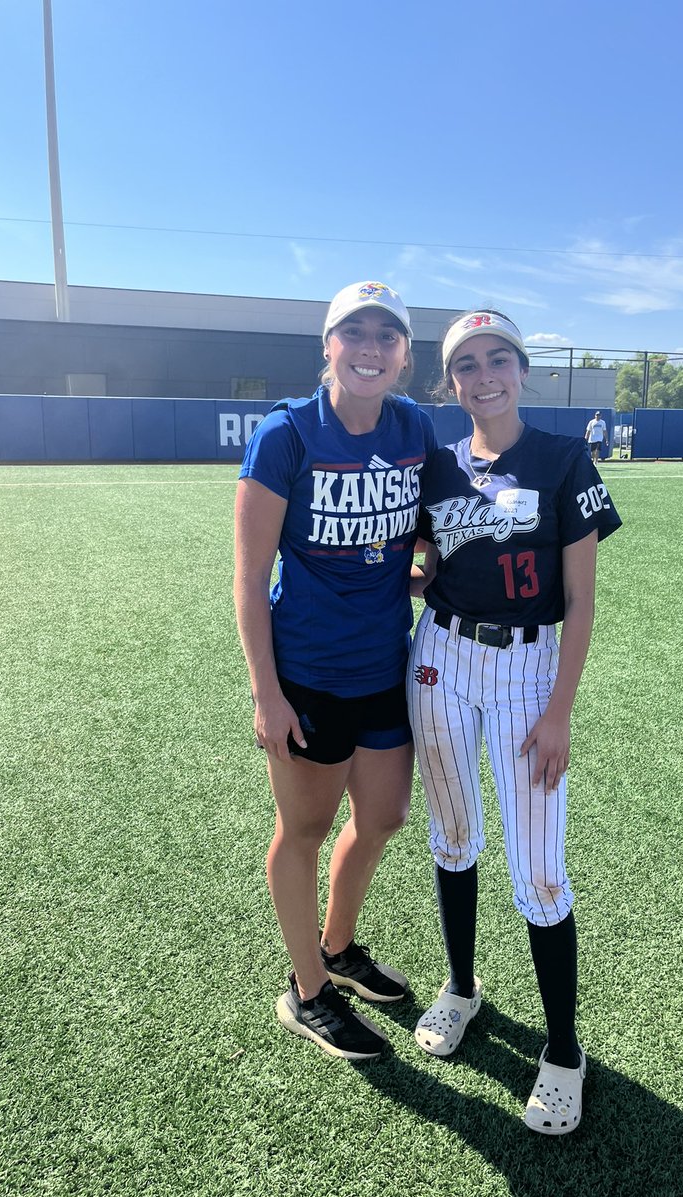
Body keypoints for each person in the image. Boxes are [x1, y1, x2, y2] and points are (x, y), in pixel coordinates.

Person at [407, 310, 621, 1133]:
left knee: (539, 873)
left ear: (523, 370)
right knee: (452, 836)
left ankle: (562, 1051)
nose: (485, 375)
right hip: (440, 657)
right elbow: (429, 566)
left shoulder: (564, 458)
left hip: (529, 670)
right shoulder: (436, 465)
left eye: (499, 359)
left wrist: (561, 710)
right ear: (451, 382)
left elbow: (581, 600)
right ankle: (462, 988)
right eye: (467, 364)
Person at [234, 281, 436, 1061]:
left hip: (386, 664)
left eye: (387, 336)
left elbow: (423, 527)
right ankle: (307, 990)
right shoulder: (286, 434)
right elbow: (250, 577)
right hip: (310, 673)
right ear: (328, 346)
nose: (370, 348)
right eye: (355, 332)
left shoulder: (412, 425)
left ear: (405, 356)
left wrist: (422, 570)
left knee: (383, 818)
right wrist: (267, 694)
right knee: (305, 831)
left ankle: (339, 948)